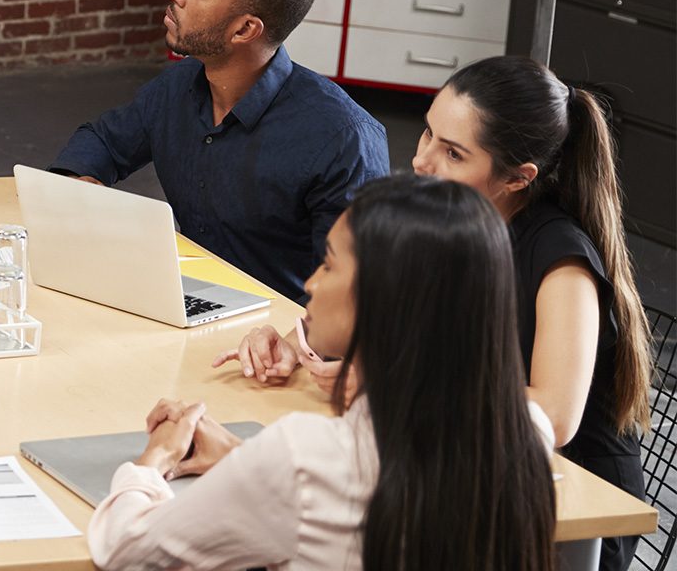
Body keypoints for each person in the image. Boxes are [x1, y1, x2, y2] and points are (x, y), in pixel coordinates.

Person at [219, 55, 652, 570]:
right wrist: (294, 344)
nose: (422, 161)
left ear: (517, 178)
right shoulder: (450, 222)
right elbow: (370, 312)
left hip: (564, 515)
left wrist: (398, 380)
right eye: (428, 134)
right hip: (457, 471)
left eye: (452, 152)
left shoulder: (562, 257)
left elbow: (553, 419)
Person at [91, 175, 556, 569]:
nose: (311, 282)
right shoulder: (527, 432)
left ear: (385, 299)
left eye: (330, 264)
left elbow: (126, 547)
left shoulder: (309, 457)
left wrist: (155, 457)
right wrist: (243, 461)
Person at [48, 0, 388, 301]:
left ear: (244, 30)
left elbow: (353, 288)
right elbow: (103, 140)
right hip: (187, 298)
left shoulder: (343, 139)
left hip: (277, 339)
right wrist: (79, 184)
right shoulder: (178, 86)